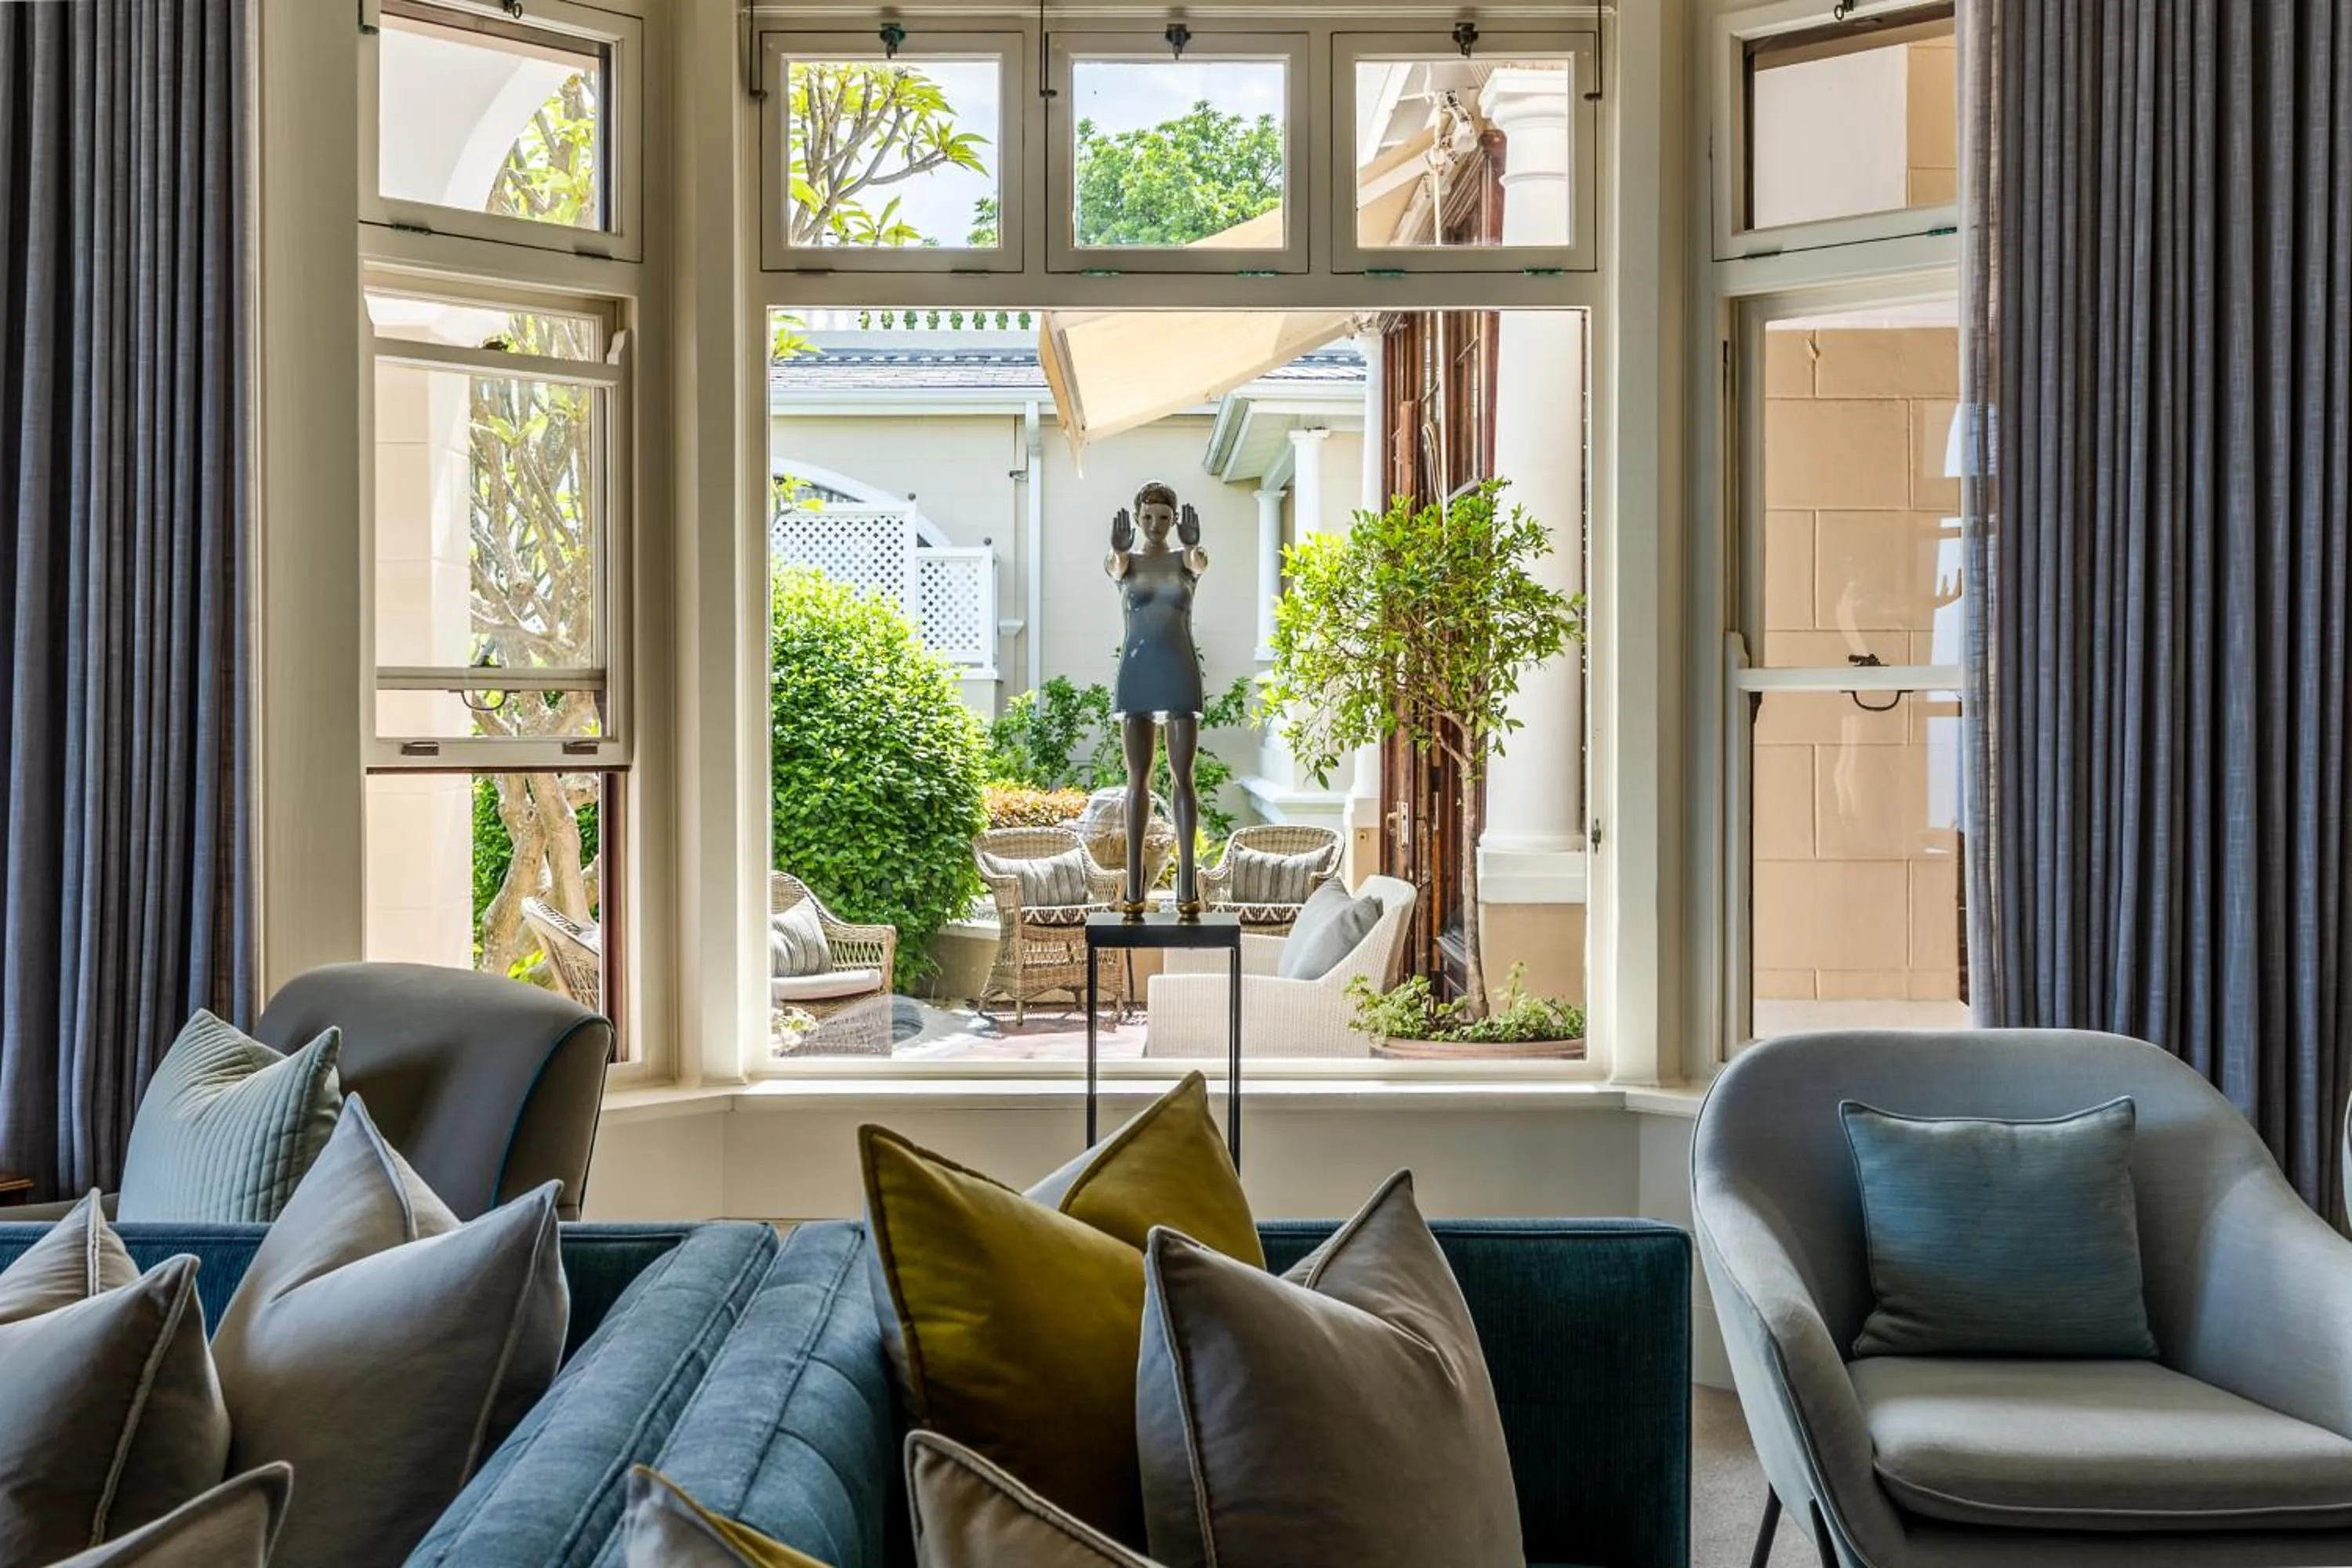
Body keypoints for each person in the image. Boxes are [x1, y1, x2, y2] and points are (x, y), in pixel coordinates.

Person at [1105, 481, 1207, 916]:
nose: (1155, 525)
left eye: (1164, 517)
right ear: (1137, 517)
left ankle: (1187, 886)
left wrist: (1193, 544)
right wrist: (1118, 550)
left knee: (1183, 777)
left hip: (1180, 668)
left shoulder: (1186, 559)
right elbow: (1115, 567)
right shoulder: (1124, 561)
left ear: (1174, 519)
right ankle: (1134, 888)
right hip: (1137, 671)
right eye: (1147, 517)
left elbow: (1199, 563)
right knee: (1138, 779)